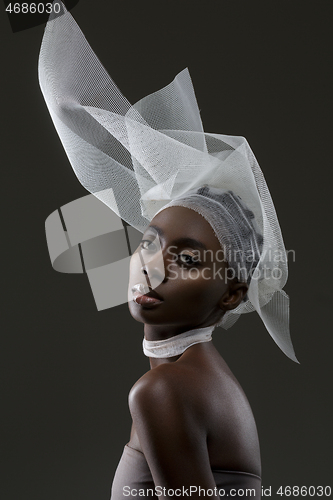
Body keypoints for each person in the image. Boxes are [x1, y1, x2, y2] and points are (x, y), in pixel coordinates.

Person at [38, 4, 298, 499]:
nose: (154, 271)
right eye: (149, 244)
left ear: (232, 294)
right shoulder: (203, 378)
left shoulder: (163, 390)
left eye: (190, 259)